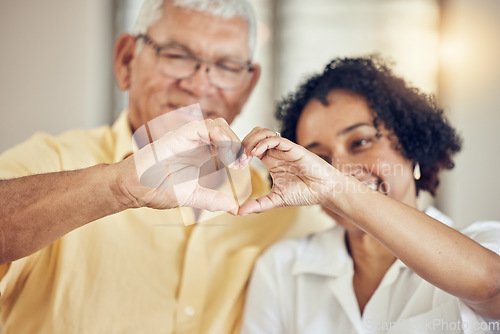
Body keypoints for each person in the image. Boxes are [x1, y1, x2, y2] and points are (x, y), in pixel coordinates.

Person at [0, 1, 329, 333]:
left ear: (247, 86)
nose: (199, 85)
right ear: (126, 60)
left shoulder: (285, 209)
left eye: (227, 66)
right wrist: (117, 187)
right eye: (177, 55)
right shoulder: (52, 162)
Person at [238, 55, 500, 333]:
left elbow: (492, 288)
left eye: (360, 142)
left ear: (411, 144)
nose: (338, 169)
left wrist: (337, 187)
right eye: (320, 159)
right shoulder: (281, 268)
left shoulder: (484, 244)